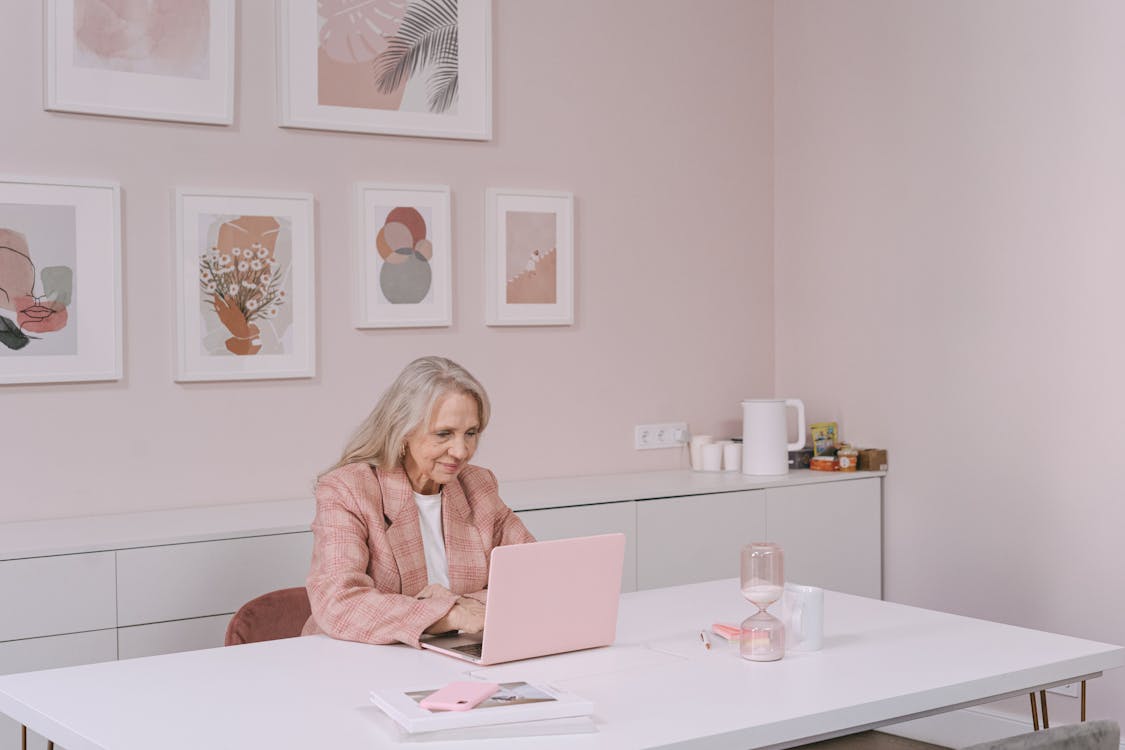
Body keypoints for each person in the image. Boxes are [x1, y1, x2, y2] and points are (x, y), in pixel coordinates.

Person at [302, 356, 535, 647]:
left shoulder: (478, 485)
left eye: (471, 433)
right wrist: (451, 616)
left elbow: (533, 577)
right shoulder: (348, 489)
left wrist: (448, 603)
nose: (461, 451)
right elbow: (339, 602)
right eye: (444, 434)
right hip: (358, 660)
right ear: (404, 430)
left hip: (457, 655)